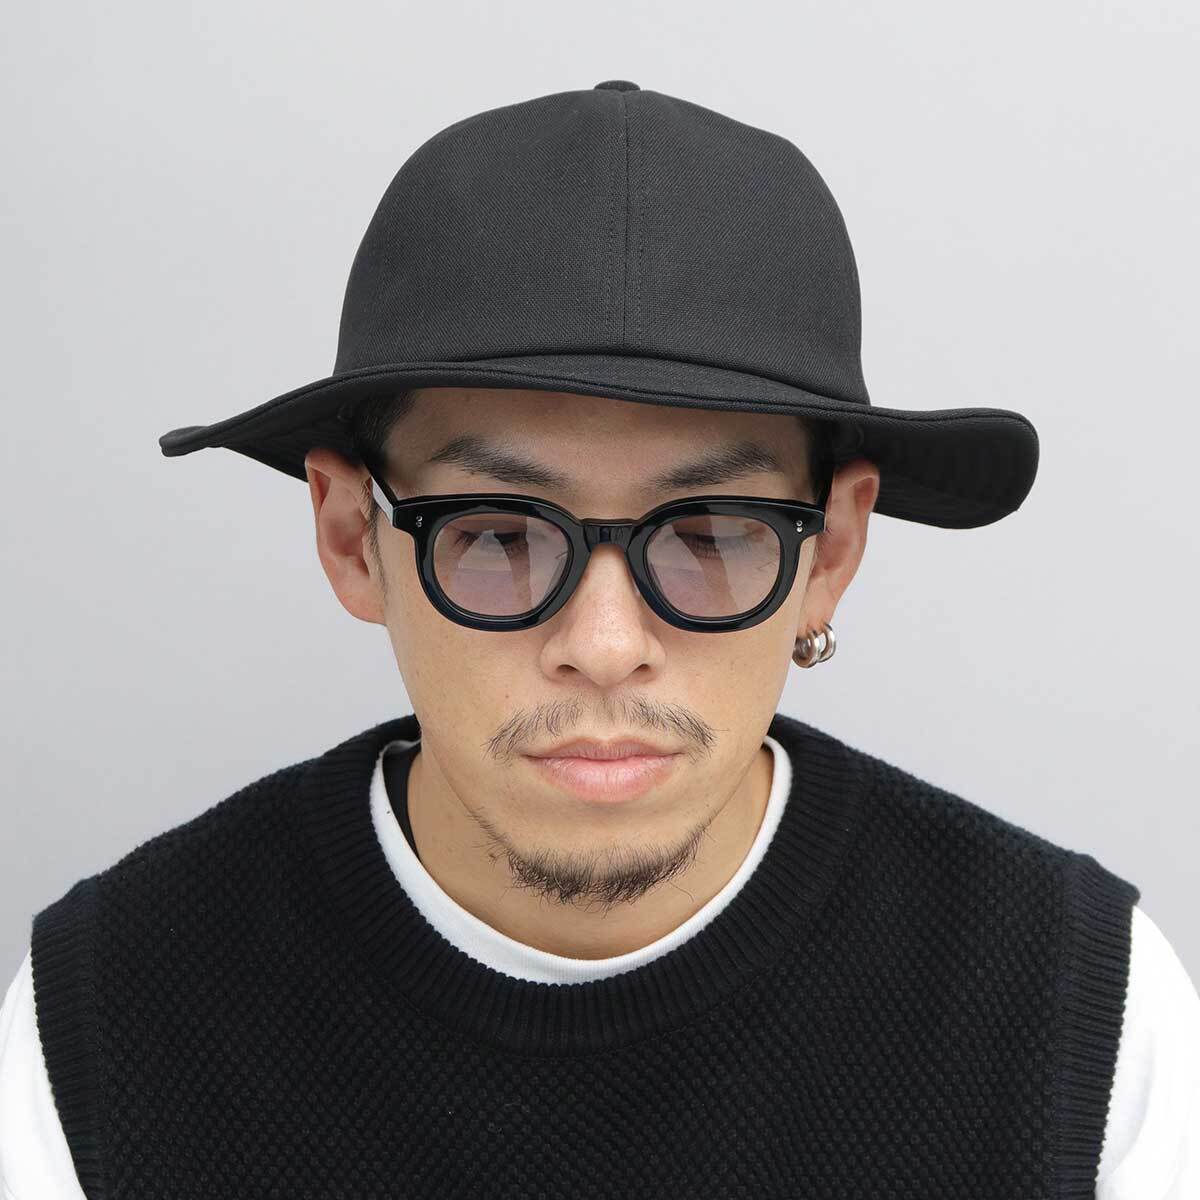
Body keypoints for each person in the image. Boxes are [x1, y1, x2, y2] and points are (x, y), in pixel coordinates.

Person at [2, 80, 1197, 1198]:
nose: (607, 643)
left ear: (829, 553)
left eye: (711, 534)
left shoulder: (1078, 1017)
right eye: (498, 535)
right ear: (352, 537)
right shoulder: (104, 1014)